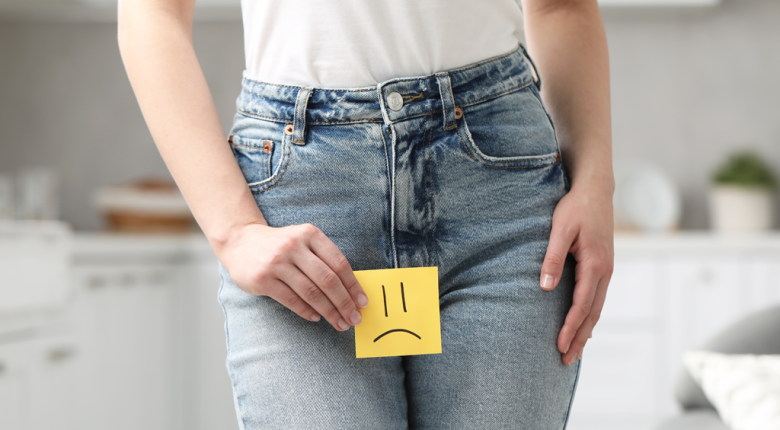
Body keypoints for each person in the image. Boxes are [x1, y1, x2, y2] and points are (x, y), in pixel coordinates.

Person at [118, 0, 614, 428]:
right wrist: (235, 232)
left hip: (496, 191)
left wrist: (595, 181)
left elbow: (560, 6)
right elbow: (151, 13)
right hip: (302, 206)